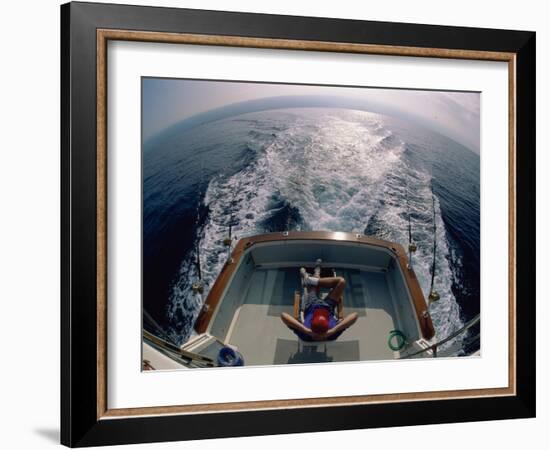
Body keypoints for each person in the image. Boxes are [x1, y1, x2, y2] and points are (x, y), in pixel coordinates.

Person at [281, 273, 358, 342]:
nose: (318, 337)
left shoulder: (305, 335)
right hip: (329, 306)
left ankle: (312, 277)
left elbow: (283, 315)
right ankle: (313, 278)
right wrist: (333, 330)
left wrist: (305, 330)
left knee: (314, 285)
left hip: (312, 304)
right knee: (341, 282)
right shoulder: (332, 334)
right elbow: (355, 315)